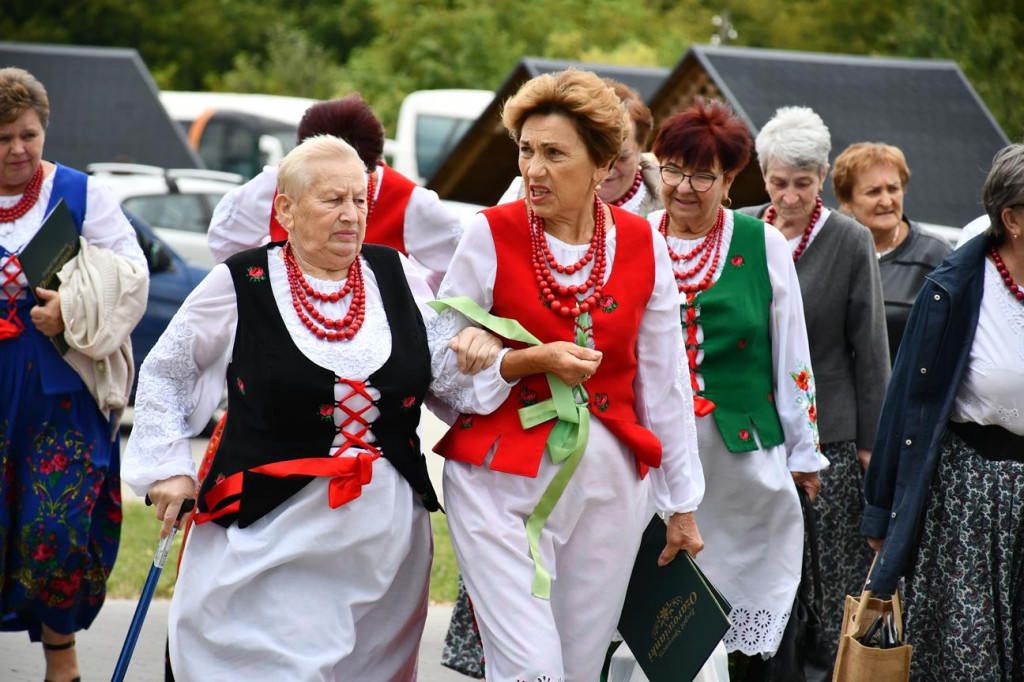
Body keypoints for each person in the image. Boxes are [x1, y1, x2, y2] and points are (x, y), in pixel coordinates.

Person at [121, 135, 495, 680]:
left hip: (384, 545)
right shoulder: (242, 282)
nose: (351, 215)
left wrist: (490, 352)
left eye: (360, 201)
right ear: (286, 209)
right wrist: (167, 468)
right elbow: (166, 373)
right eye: (333, 200)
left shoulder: (398, 277)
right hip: (269, 531)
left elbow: (451, 377)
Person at [428, 69, 705, 681]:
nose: (534, 169)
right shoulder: (489, 234)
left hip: (610, 490)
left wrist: (681, 504)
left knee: (579, 669)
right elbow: (438, 366)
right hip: (498, 484)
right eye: (526, 150)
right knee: (533, 668)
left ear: (602, 164)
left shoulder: (644, 244)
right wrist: (512, 359)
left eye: (554, 153)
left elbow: (665, 382)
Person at [648, 100, 827, 664]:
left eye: (702, 175)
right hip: (654, 465)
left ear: (729, 181)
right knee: (656, 620)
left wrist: (804, 452)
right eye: (673, 170)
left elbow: (792, 354)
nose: (683, 187)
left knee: (741, 615)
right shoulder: (634, 238)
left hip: (743, 466)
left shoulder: (762, 243)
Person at [0, 67, 148, 682]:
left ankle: (60, 656)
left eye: (29, 135)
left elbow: (132, 275)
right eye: (3, 138)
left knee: (57, 528)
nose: (18, 149)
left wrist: (72, 308)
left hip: (62, 390)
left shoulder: (82, 194)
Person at [862, 143, 1024, 679]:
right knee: (966, 662)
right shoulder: (956, 286)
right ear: (1012, 219)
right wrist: (881, 510)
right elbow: (906, 400)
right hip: (969, 500)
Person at [738, 106, 890, 654]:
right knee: (760, 567)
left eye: (803, 183)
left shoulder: (849, 240)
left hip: (831, 439)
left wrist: (872, 445)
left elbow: (870, 348)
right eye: (779, 182)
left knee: (827, 572)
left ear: (822, 177)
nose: (790, 196)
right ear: (763, 177)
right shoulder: (744, 231)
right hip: (753, 428)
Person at [206, 92, 463, 290]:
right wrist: (264, 286)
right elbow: (225, 237)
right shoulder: (281, 181)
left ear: (369, 166)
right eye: (331, 196)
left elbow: (460, 266)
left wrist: (413, 299)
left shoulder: (409, 201)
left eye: (356, 194)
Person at [832, 142, 952, 360]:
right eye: (873, 192)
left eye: (893, 189)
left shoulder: (936, 255)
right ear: (846, 201)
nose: (886, 201)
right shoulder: (832, 252)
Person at [497, 78, 663, 217]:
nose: (608, 168)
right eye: (526, 149)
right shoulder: (517, 196)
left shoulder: (667, 204)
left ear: (641, 150)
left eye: (621, 157)